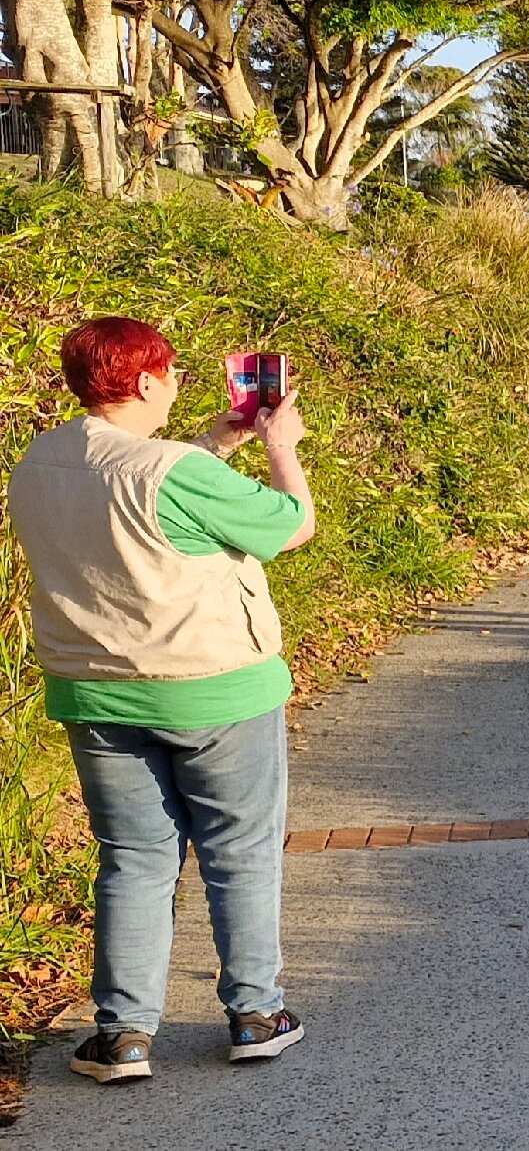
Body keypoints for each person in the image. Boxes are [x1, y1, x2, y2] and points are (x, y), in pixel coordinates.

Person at [6, 317, 316, 1083]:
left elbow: (134, 508)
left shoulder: (37, 462)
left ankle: (123, 1036)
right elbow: (292, 525)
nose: (177, 382)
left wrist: (218, 444)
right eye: (172, 371)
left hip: (96, 695)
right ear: (144, 382)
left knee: (134, 860)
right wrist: (281, 447)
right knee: (238, 851)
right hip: (213, 688)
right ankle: (255, 1012)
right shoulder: (173, 468)